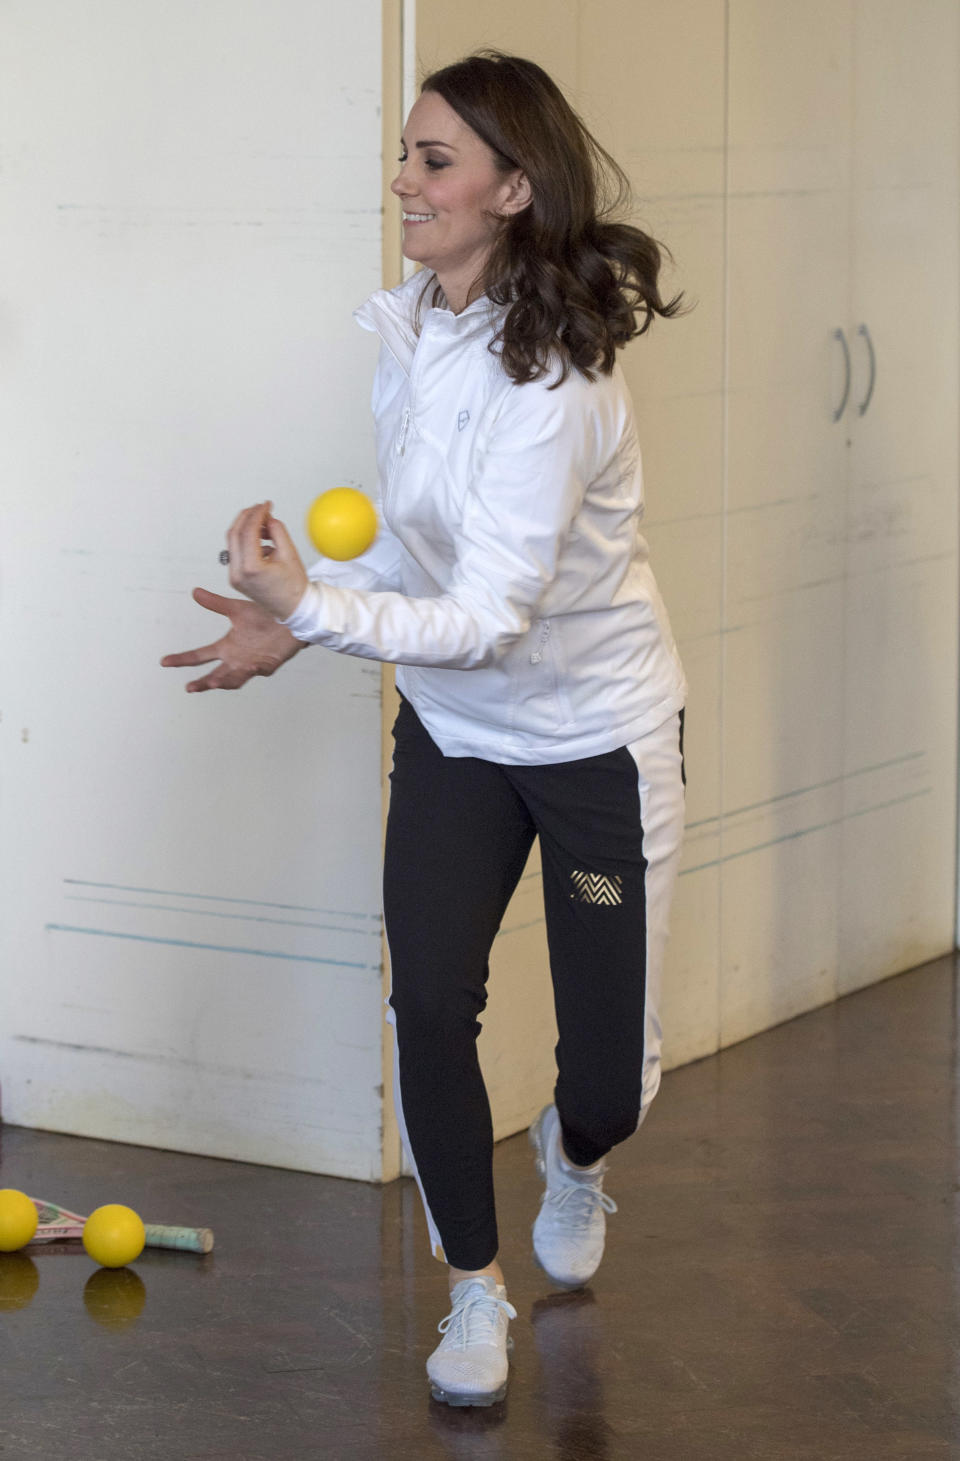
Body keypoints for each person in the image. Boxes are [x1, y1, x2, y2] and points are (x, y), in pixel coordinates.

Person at [162, 50, 688, 1408]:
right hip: (457, 733)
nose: (404, 181)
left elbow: (498, 612)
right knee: (430, 1002)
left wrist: (320, 605)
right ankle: (473, 1287)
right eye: (406, 154)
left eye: (435, 160)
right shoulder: (416, 328)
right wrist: (293, 620)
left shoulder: (558, 387)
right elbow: (416, 542)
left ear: (515, 188)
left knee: (611, 1079)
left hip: (592, 740)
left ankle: (580, 1157)